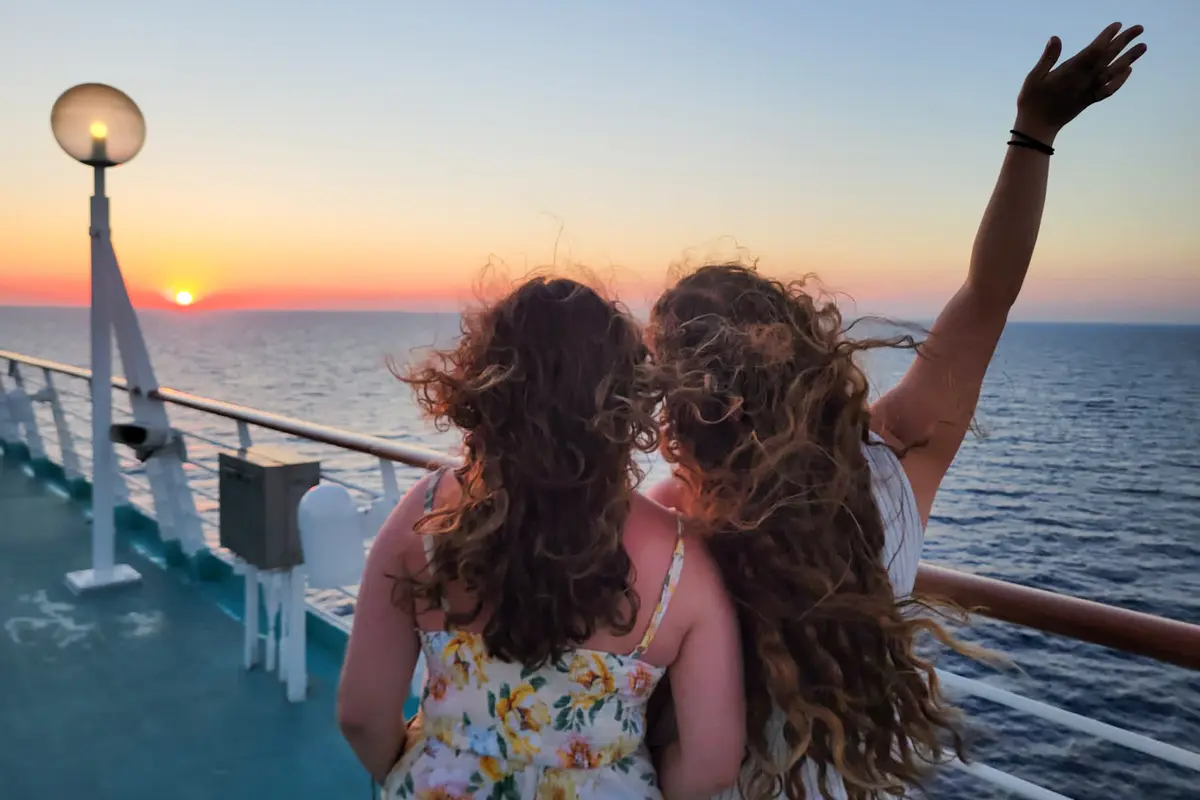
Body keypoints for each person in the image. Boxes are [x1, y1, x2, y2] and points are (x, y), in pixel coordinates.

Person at [644, 22, 1147, 800]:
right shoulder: (893, 463)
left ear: (677, 407)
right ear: (804, 353)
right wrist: (1034, 135)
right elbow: (987, 297)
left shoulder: (665, 527)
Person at [338, 275, 745, 799]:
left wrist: (430, 769)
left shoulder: (424, 518)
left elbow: (360, 715)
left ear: (485, 387)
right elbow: (713, 764)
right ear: (625, 398)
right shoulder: (681, 563)